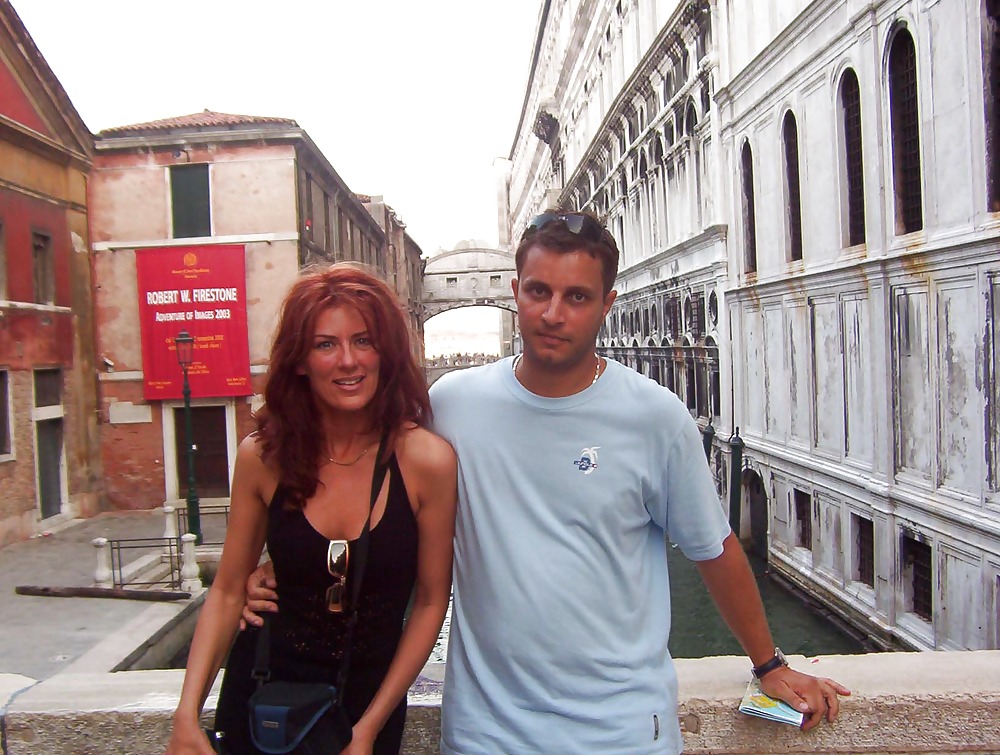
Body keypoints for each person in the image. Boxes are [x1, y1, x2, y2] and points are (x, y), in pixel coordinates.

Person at [244, 213, 850, 753]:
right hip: (486, 733)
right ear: (515, 293)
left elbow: (713, 549)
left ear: (606, 304)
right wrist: (279, 566)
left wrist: (768, 662)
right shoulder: (451, 405)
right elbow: (357, 475)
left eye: (576, 296)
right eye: (538, 291)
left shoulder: (655, 416)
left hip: (623, 733)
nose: (553, 313)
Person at [166, 264, 457, 755]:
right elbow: (229, 588)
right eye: (326, 344)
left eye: (363, 341)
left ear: (385, 351)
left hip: (367, 708)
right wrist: (186, 712)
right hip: (262, 700)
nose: (348, 361)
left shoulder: (427, 461)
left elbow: (431, 602)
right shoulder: (263, 457)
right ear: (299, 360)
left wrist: (368, 728)